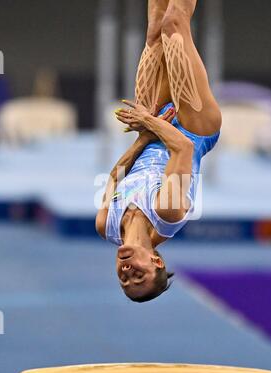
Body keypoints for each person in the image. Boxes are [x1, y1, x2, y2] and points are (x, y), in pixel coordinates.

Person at [96, 0, 222, 302]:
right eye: (138, 274)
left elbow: (115, 176)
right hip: (194, 127)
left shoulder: (106, 225)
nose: (128, 272)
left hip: (152, 127)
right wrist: (147, 121)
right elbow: (183, 146)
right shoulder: (168, 213)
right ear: (157, 261)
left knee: (154, 29)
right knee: (174, 25)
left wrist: (143, 136)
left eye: (124, 280)